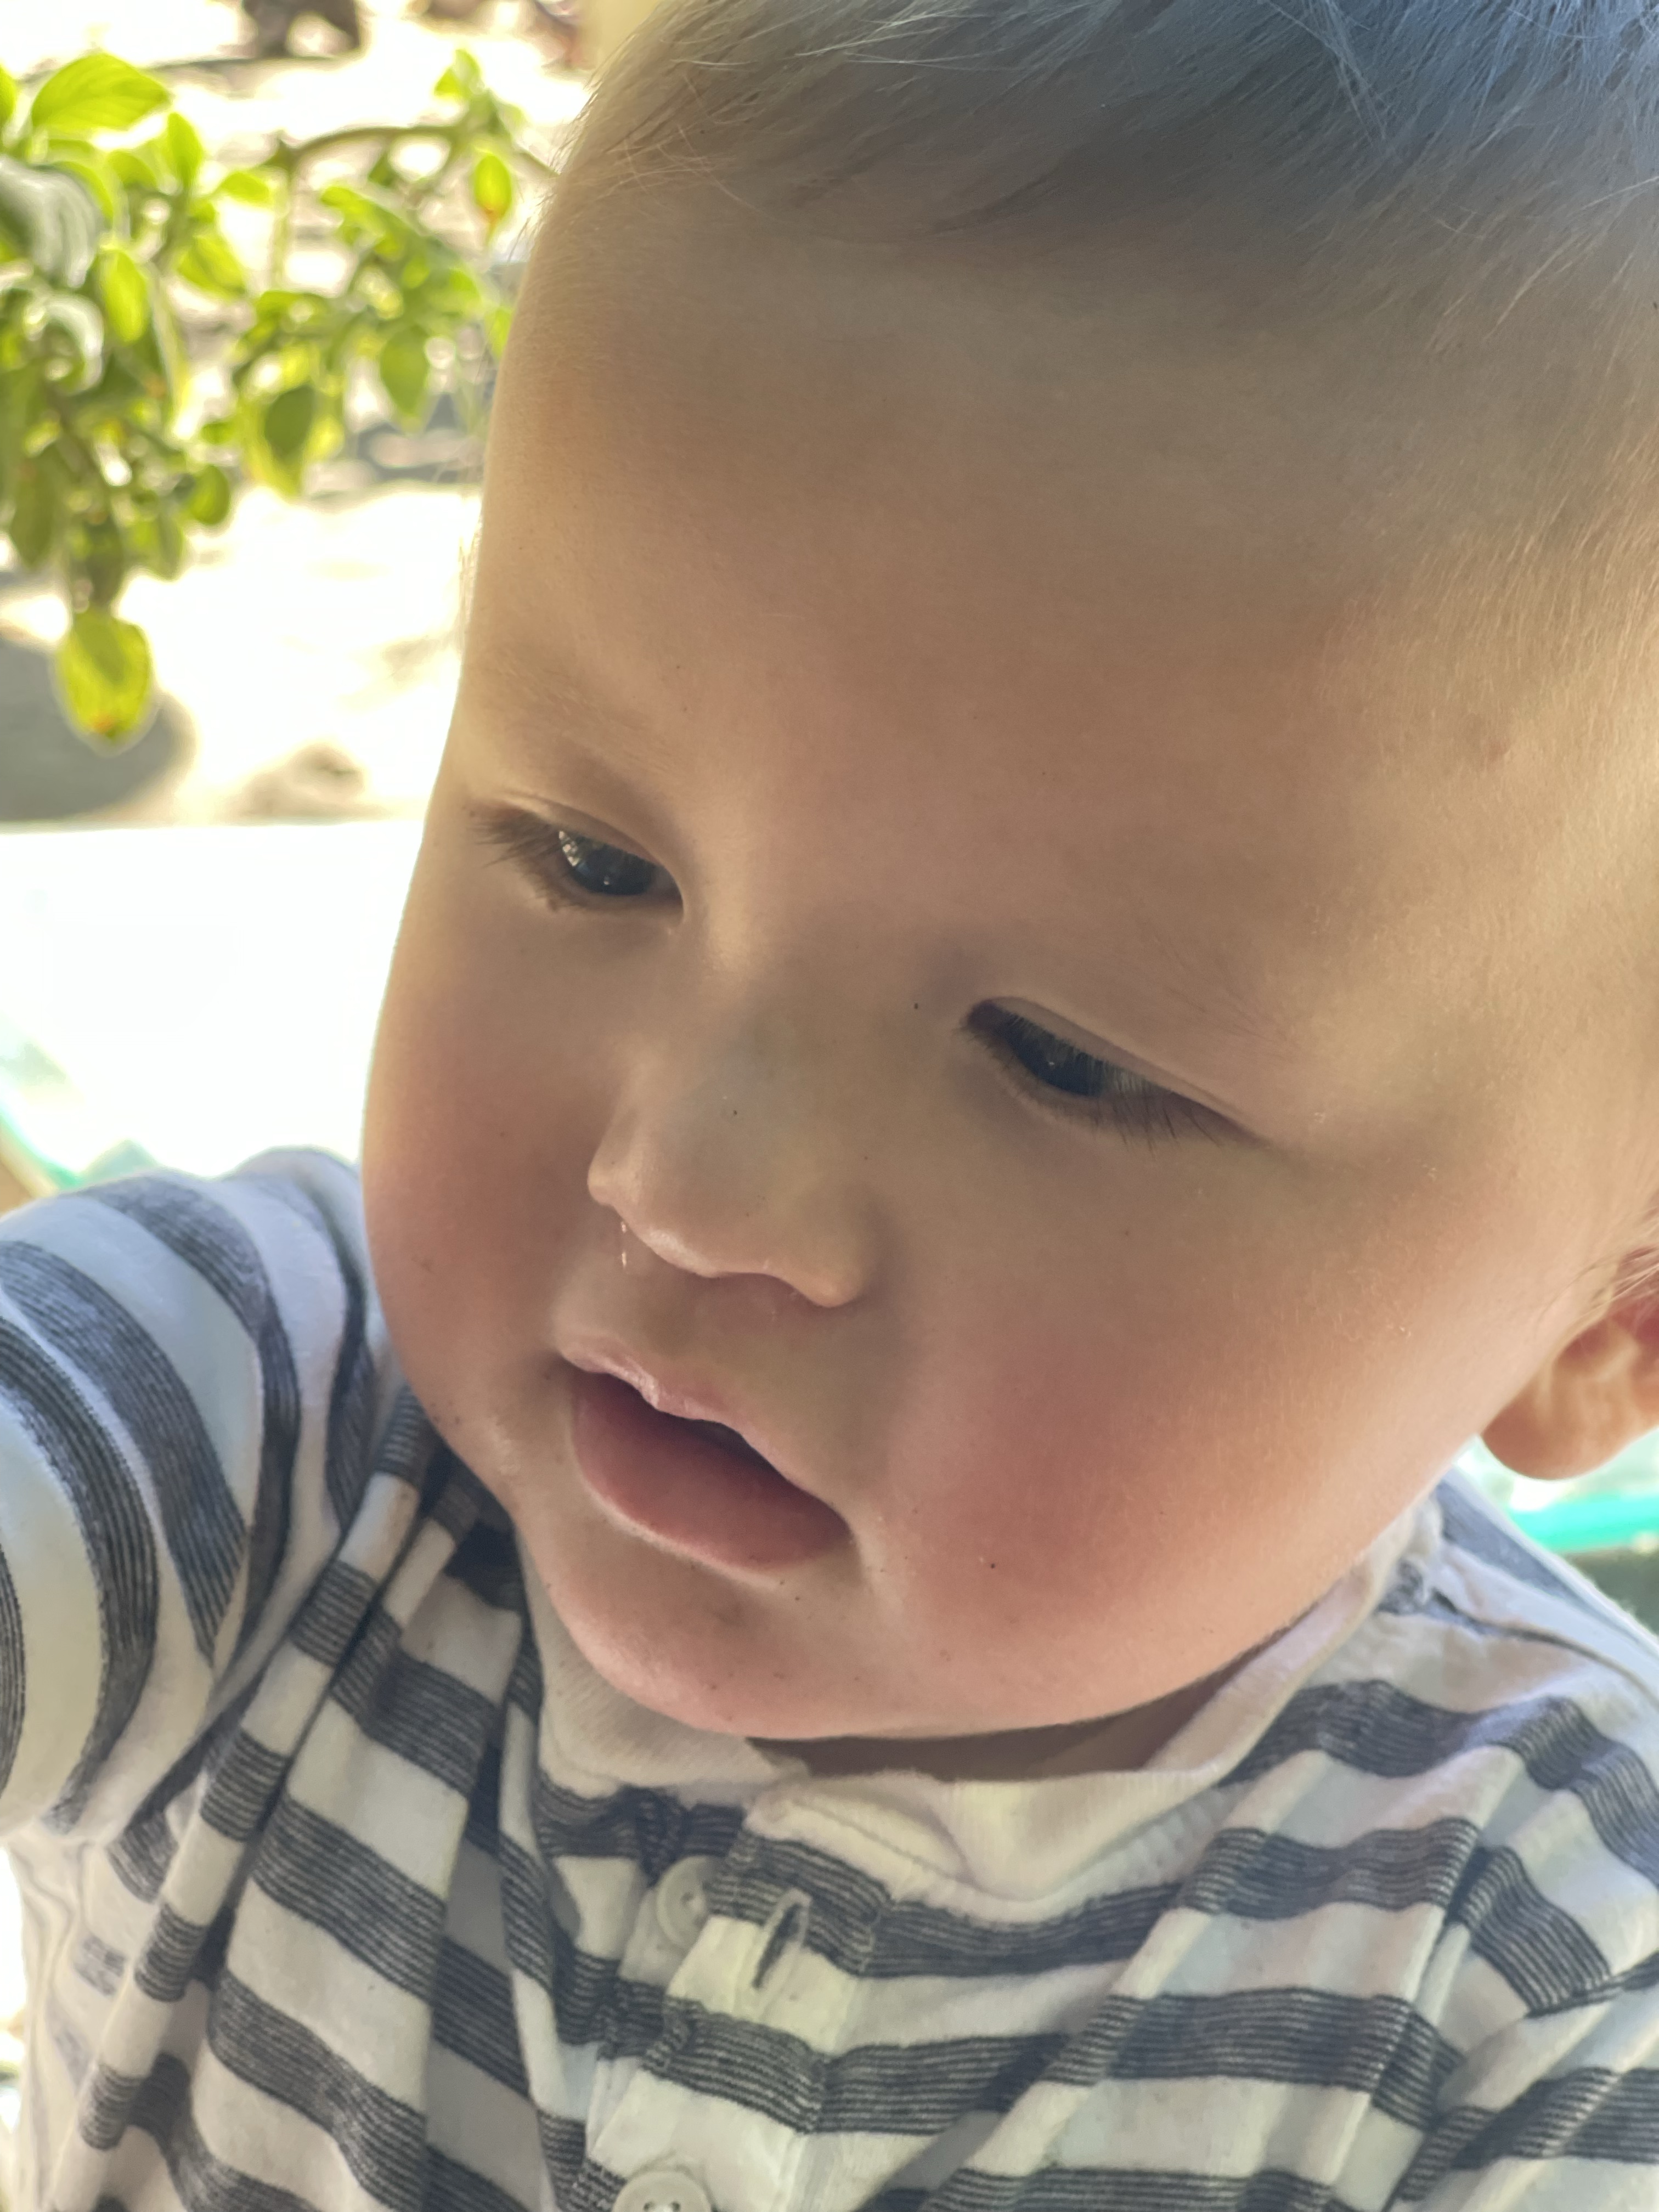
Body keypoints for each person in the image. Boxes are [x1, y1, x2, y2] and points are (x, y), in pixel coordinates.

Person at [6, 1, 1659, 2204]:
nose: (688, 1183)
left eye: (1064, 1058)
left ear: (1614, 1308)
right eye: (596, 860)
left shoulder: (1558, 1977)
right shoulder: (265, 1423)